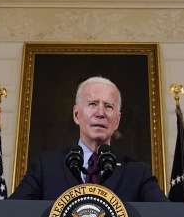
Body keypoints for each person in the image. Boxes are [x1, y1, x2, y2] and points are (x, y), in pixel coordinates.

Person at [10, 76, 166, 202]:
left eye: (108, 106)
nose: (100, 113)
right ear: (76, 115)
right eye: (92, 104)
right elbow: (11, 213)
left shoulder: (137, 172)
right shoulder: (46, 167)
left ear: (117, 121)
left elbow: (169, 215)